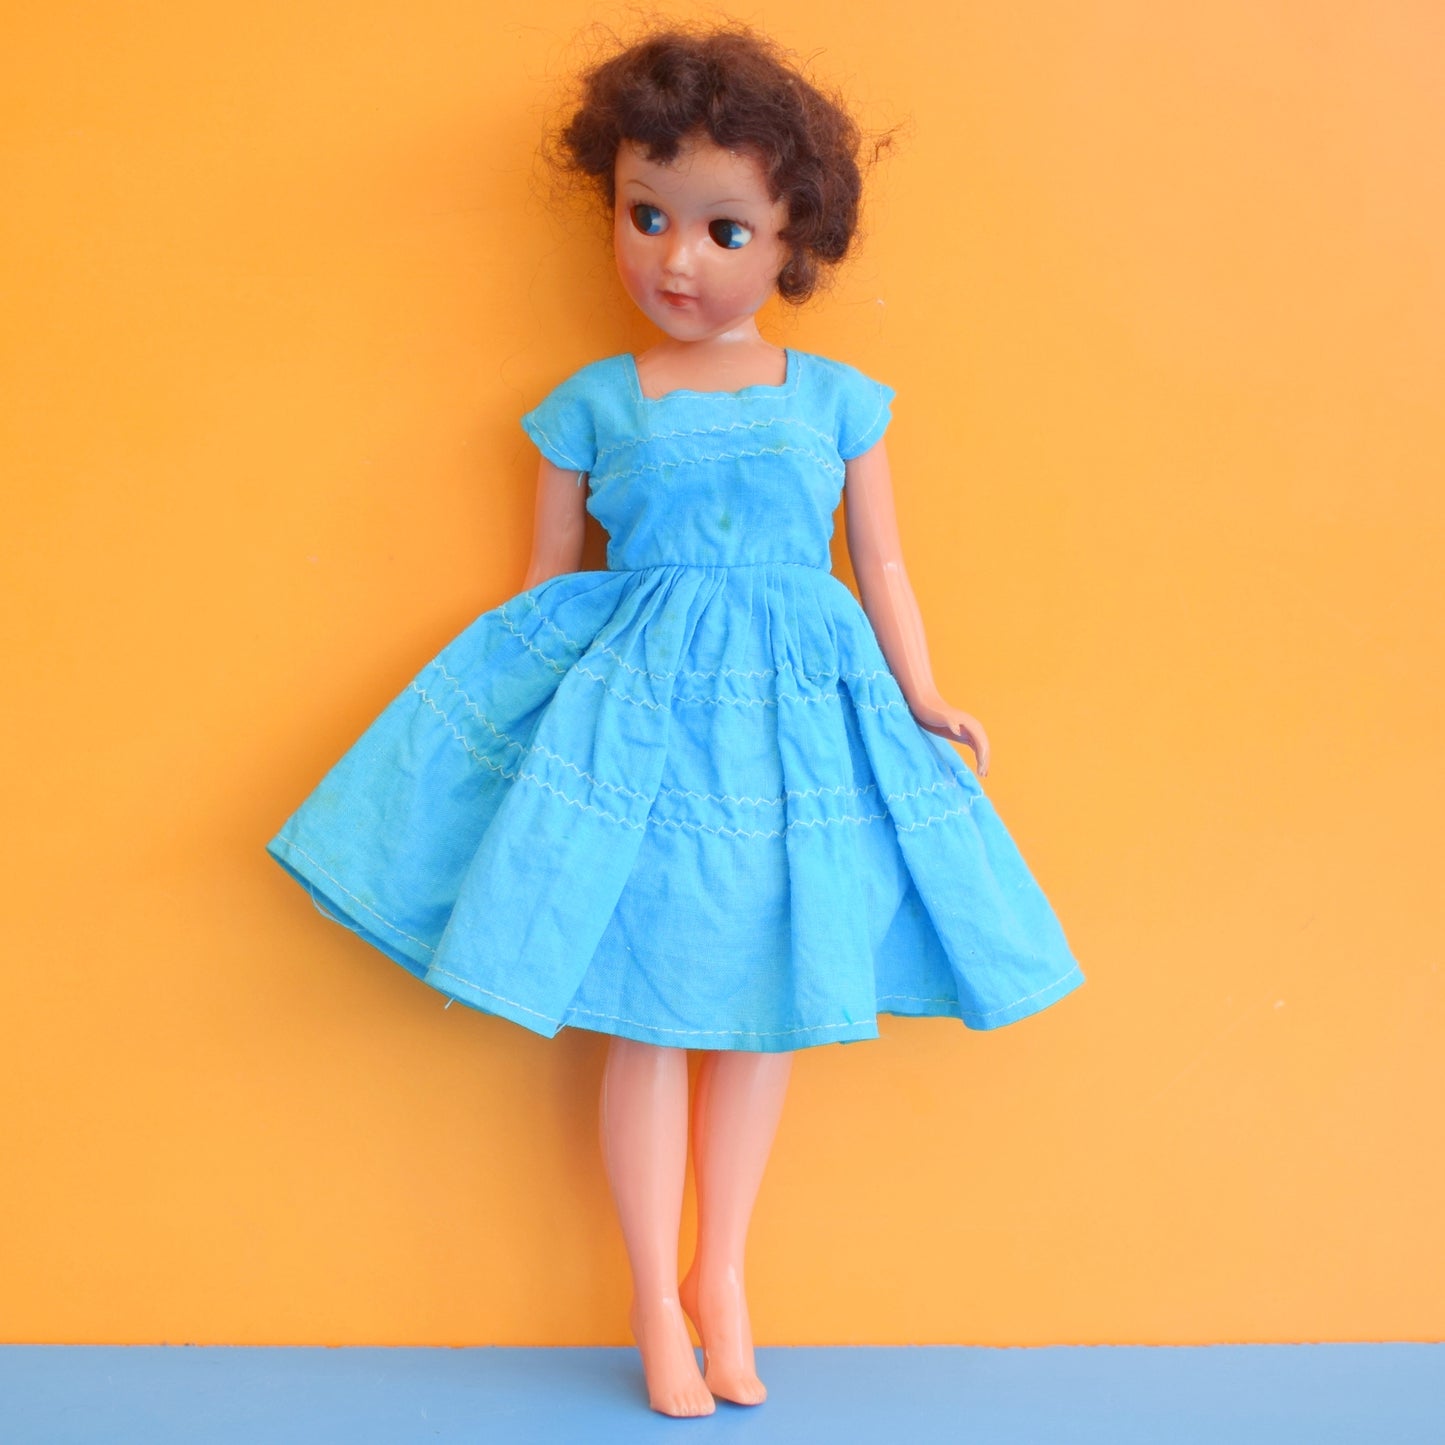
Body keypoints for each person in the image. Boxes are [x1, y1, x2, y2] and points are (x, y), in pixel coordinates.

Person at [267, 24, 1084, 1418]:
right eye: (645, 216)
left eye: (723, 228)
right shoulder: (591, 404)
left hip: (794, 735)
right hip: (638, 738)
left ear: (794, 240)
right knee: (645, 1009)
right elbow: (544, 591)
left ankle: (725, 1278)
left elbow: (880, 566)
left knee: (765, 1005)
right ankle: (655, 1295)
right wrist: (498, 746)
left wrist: (923, 694)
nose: (677, 260)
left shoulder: (837, 403)